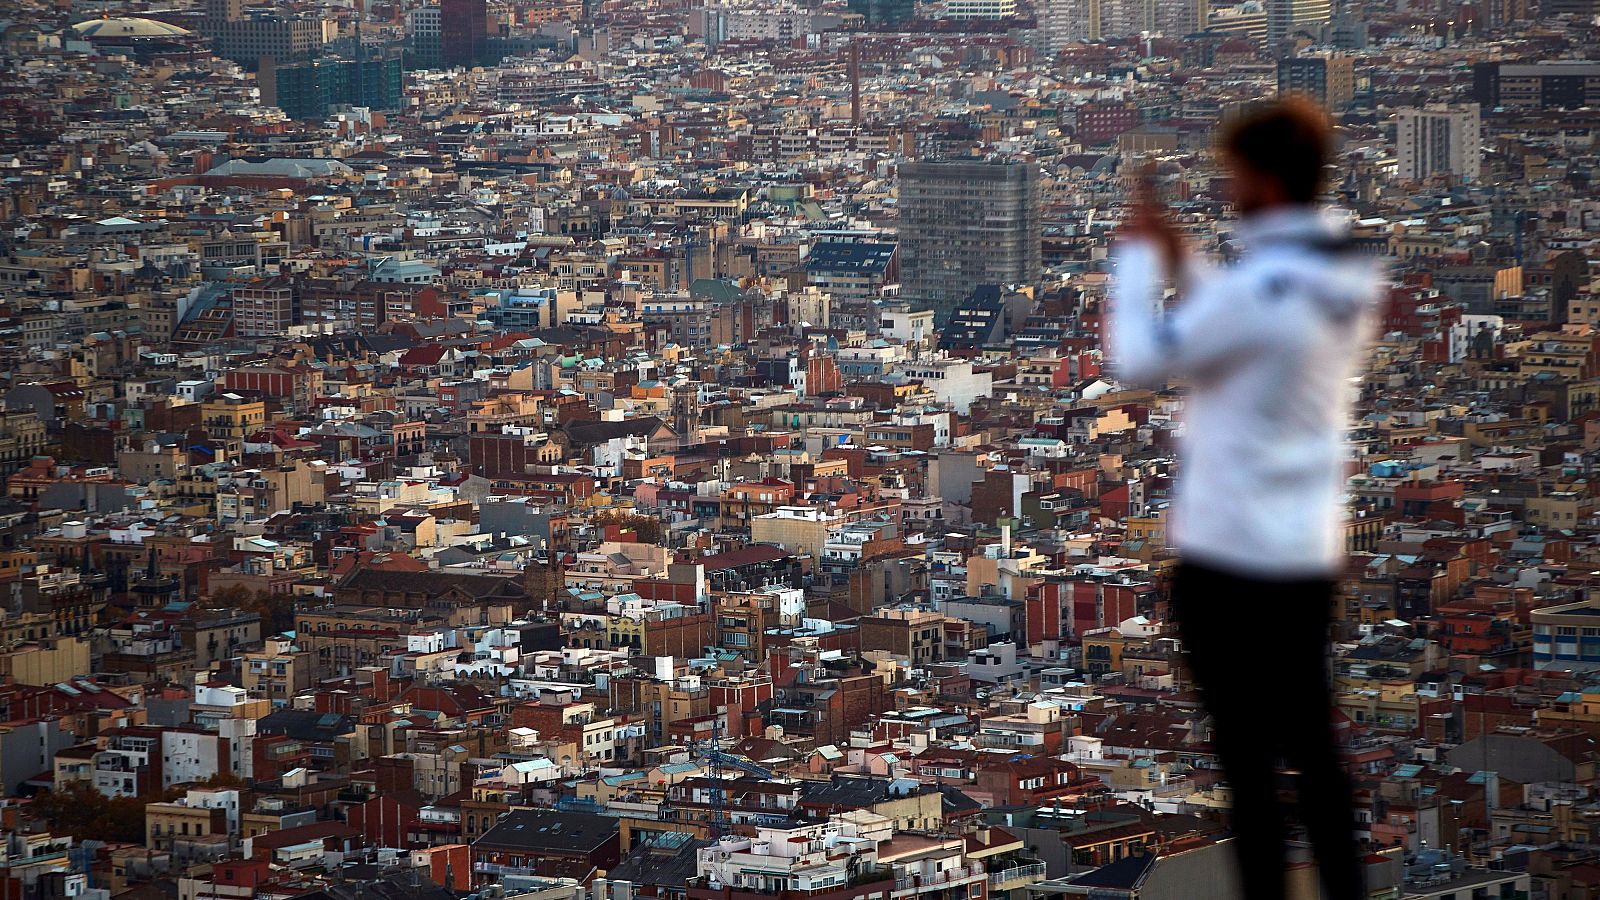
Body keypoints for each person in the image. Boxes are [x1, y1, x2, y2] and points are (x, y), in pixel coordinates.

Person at [1107, 98, 1384, 900]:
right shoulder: (1343, 270)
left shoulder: (1260, 291)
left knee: (1248, 764)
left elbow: (1135, 358)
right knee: (1313, 748)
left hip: (1230, 555)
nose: (1228, 187)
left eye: (1234, 175)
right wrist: (1184, 260)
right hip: (1304, 548)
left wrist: (1136, 263)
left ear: (1262, 179)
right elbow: (1246, 319)